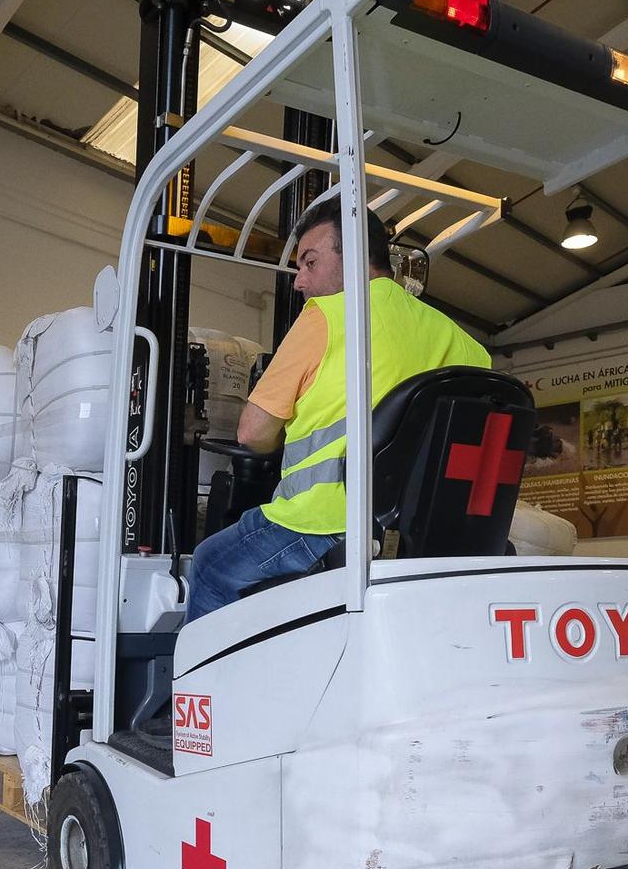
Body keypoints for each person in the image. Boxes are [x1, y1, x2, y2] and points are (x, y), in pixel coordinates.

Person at [183, 201, 491, 622]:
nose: (299, 282)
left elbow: (252, 434)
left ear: (359, 256)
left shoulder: (326, 316)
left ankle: (206, 687)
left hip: (322, 523)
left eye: (310, 263)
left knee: (210, 564)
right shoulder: (464, 344)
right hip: (429, 531)